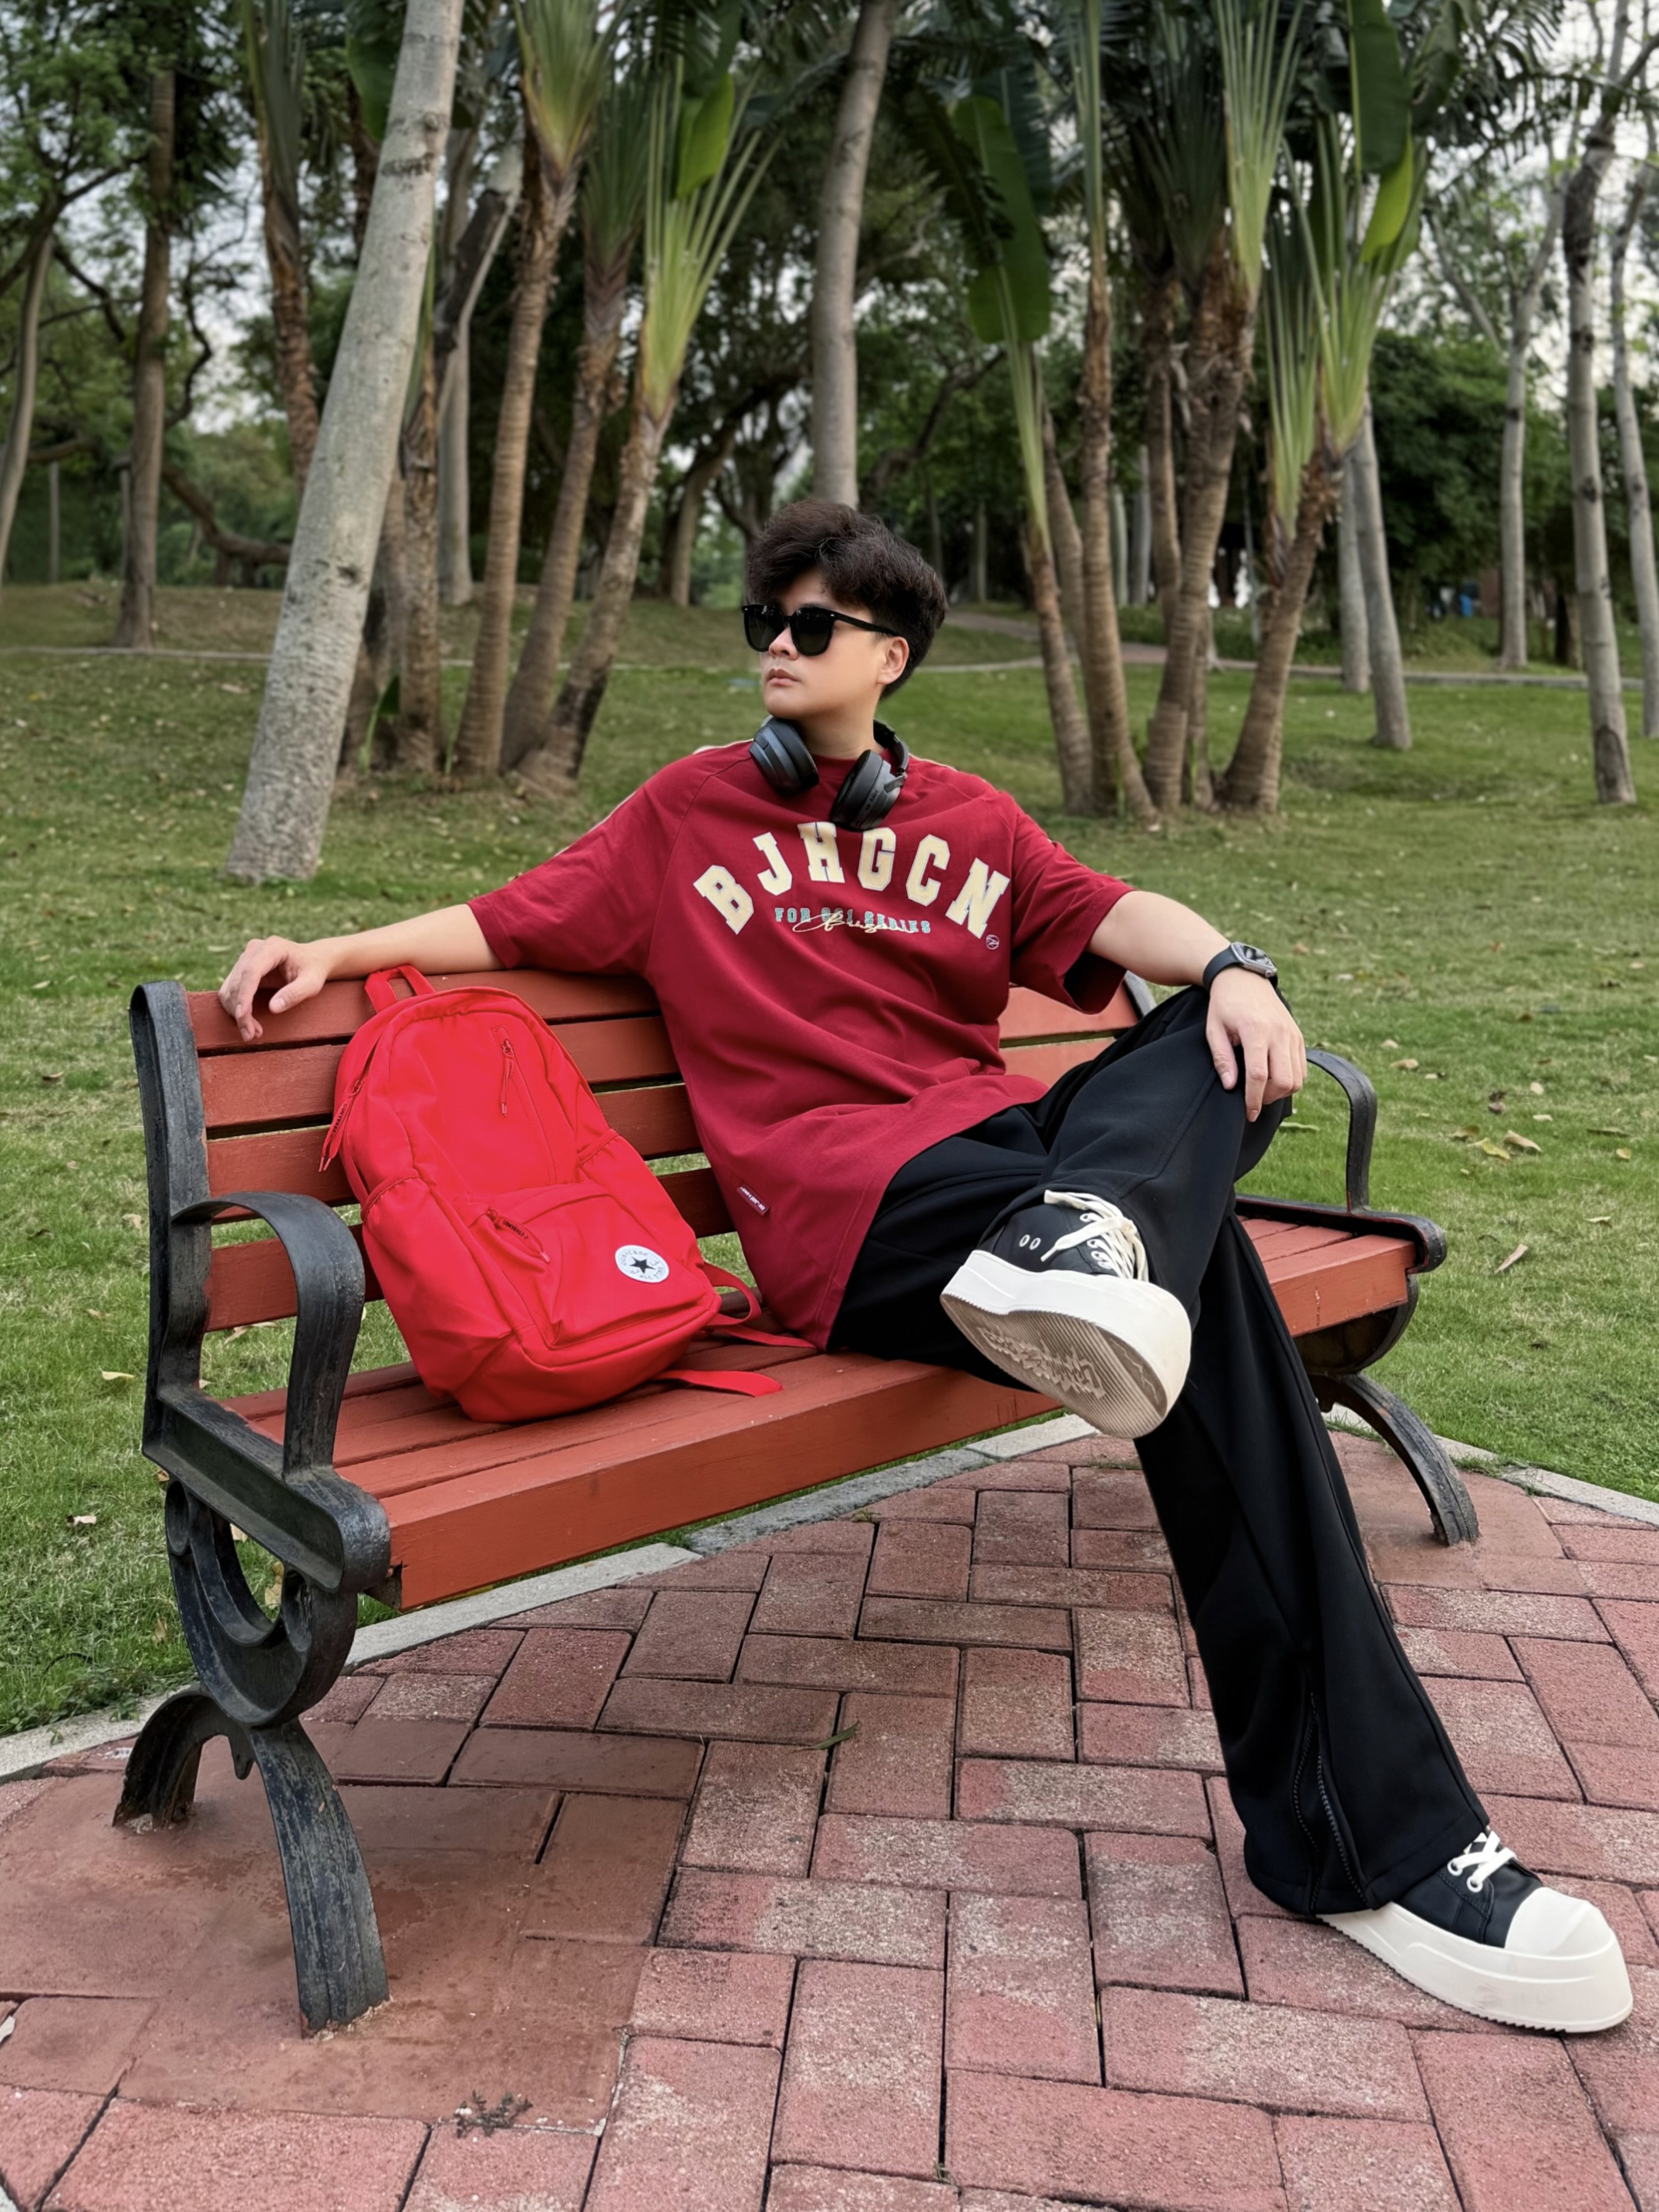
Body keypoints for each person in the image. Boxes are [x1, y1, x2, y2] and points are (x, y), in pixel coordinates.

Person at [220, 499, 1629, 2035]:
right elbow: (505, 921)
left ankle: (1087, 1244)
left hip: (1011, 1179)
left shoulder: (973, 822)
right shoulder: (685, 815)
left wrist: (1236, 965)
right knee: (1208, 1273)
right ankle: (1381, 1840)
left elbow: (1116, 915)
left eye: (811, 624)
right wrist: (338, 951)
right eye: (764, 620)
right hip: (851, 1223)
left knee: (1220, 1042)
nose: (776, 644)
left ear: (888, 654)